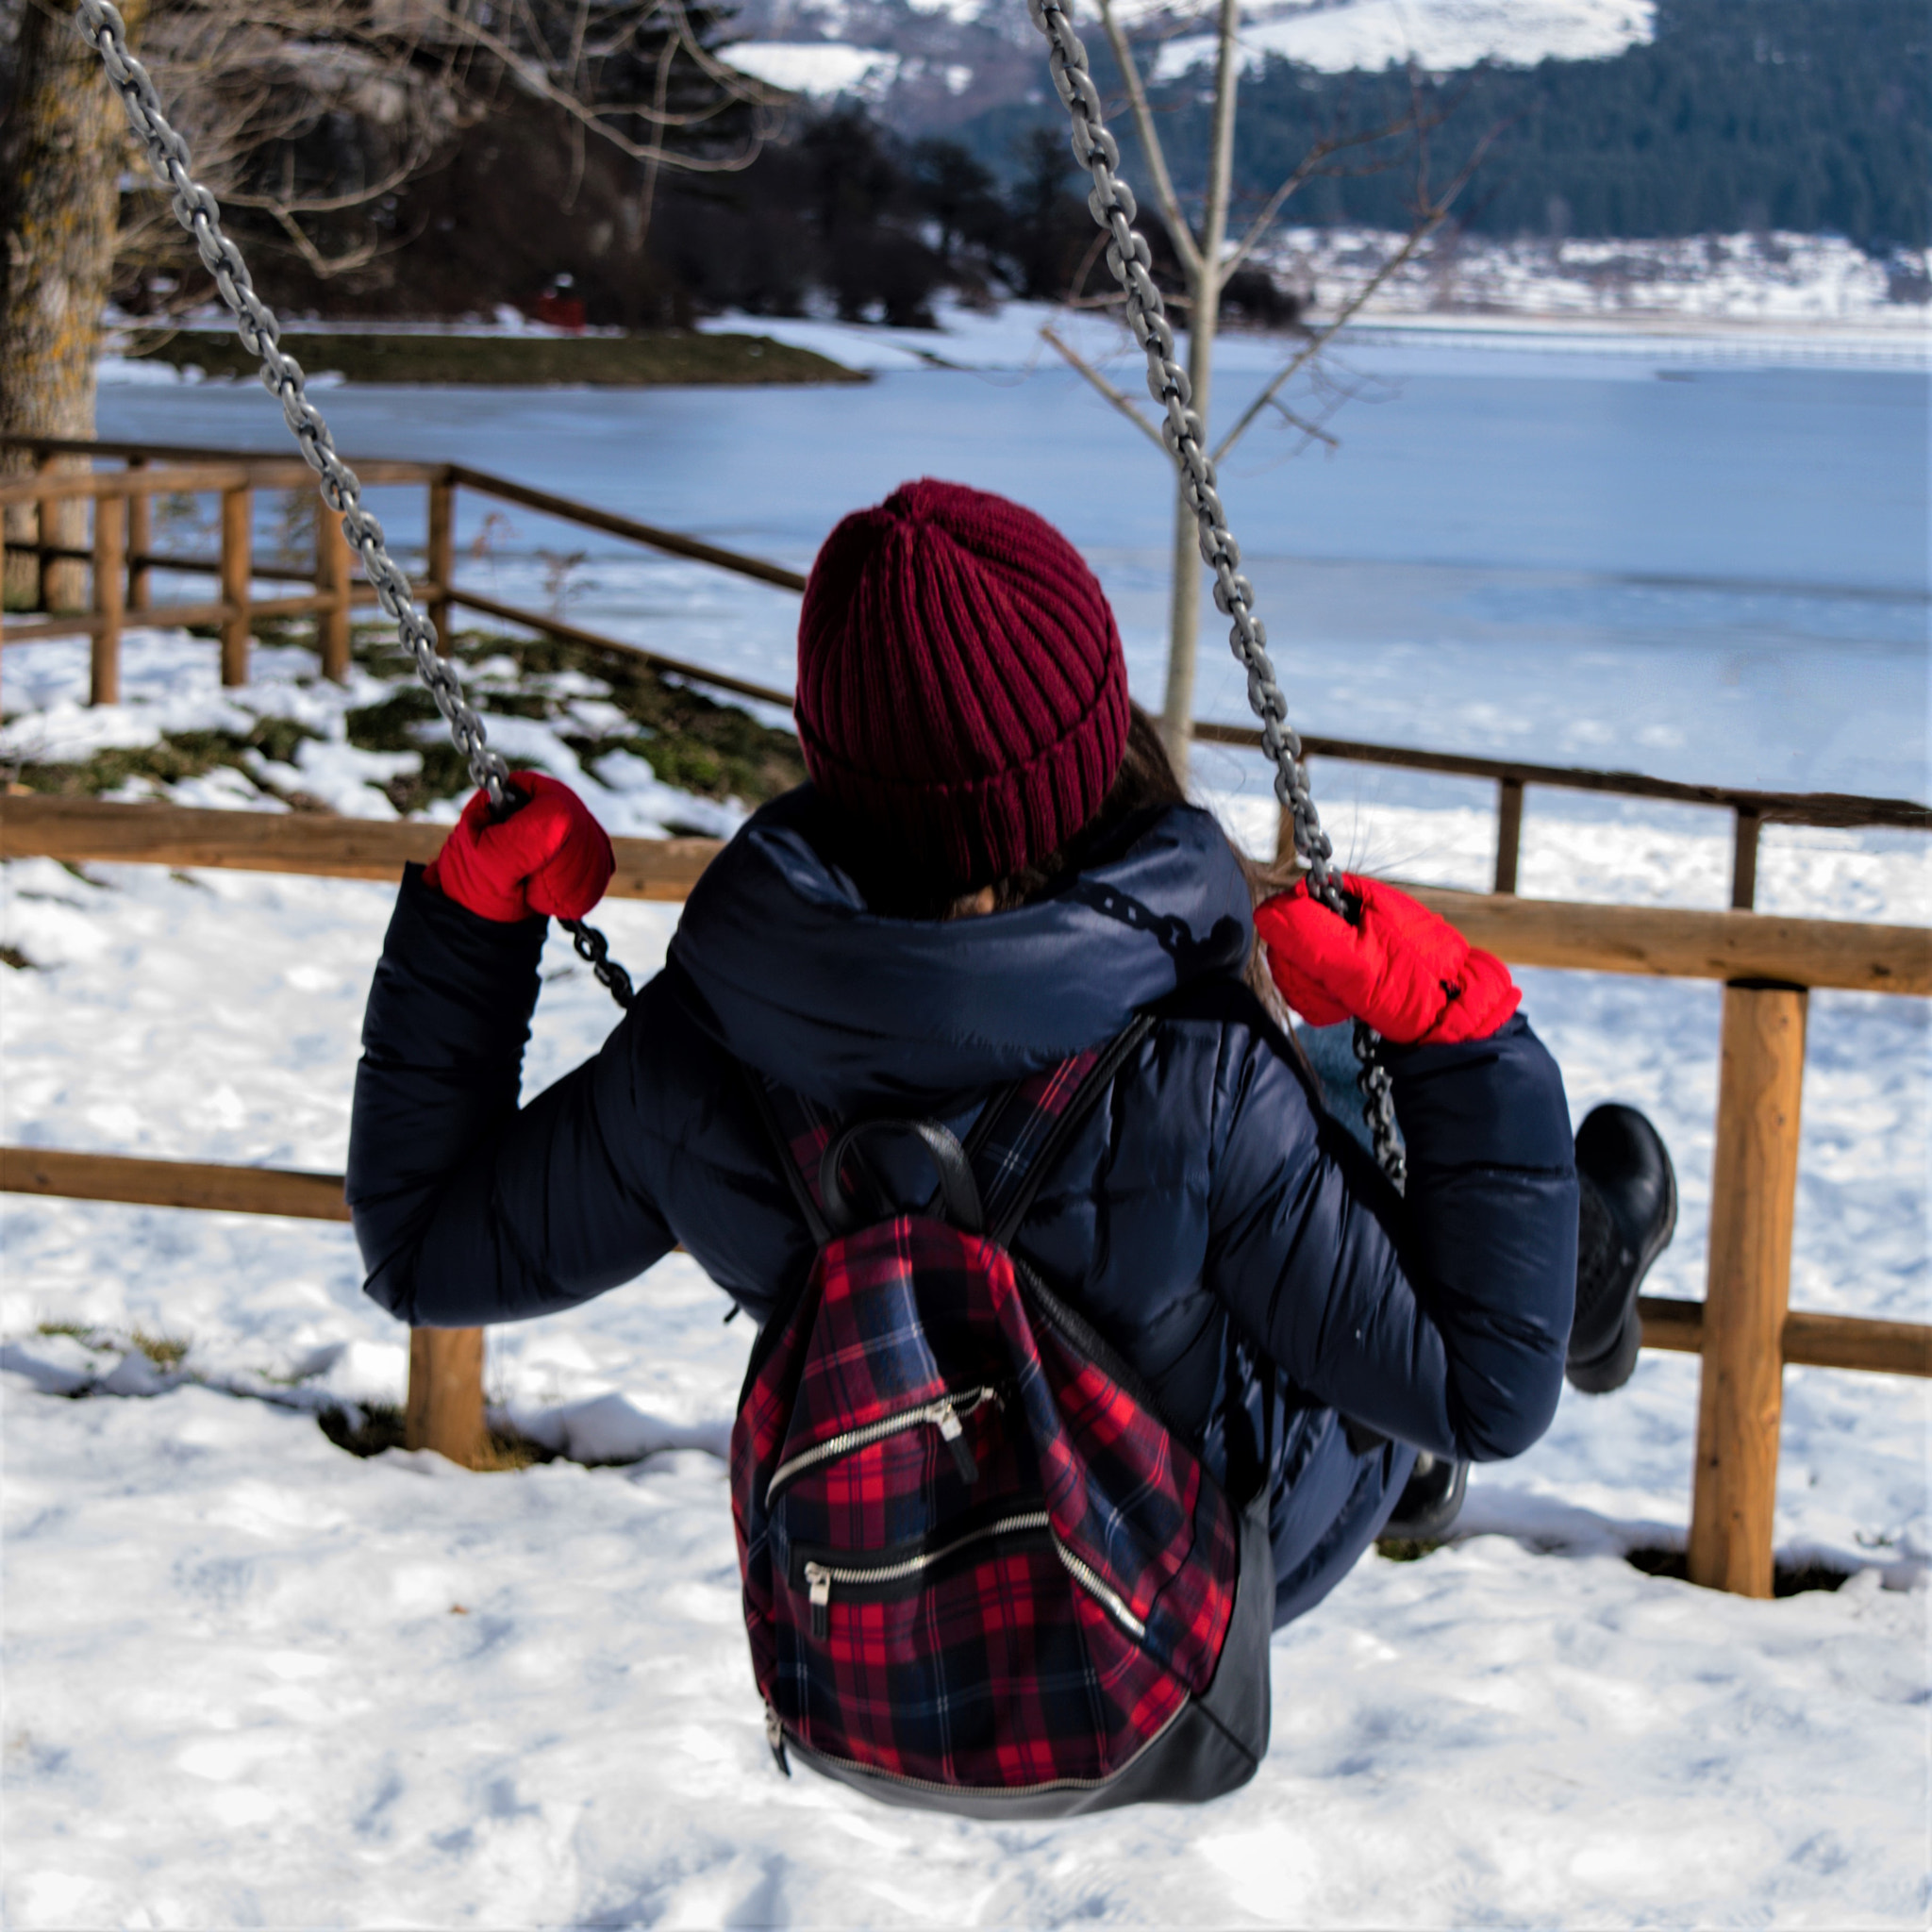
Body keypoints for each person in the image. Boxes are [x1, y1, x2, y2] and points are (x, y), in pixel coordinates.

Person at [347, 478, 1676, 1629]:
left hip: (890, 1587)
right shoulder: (1201, 1086)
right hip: (1192, 1578)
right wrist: (1462, 1037)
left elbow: (422, 1247)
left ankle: (1579, 1268)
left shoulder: (694, 1057)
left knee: (1292, 1118)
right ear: (1103, 738)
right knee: (1340, 1066)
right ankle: (1571, 1285)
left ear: (827, 752)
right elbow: (1486, 1392)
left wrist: (475, 925)